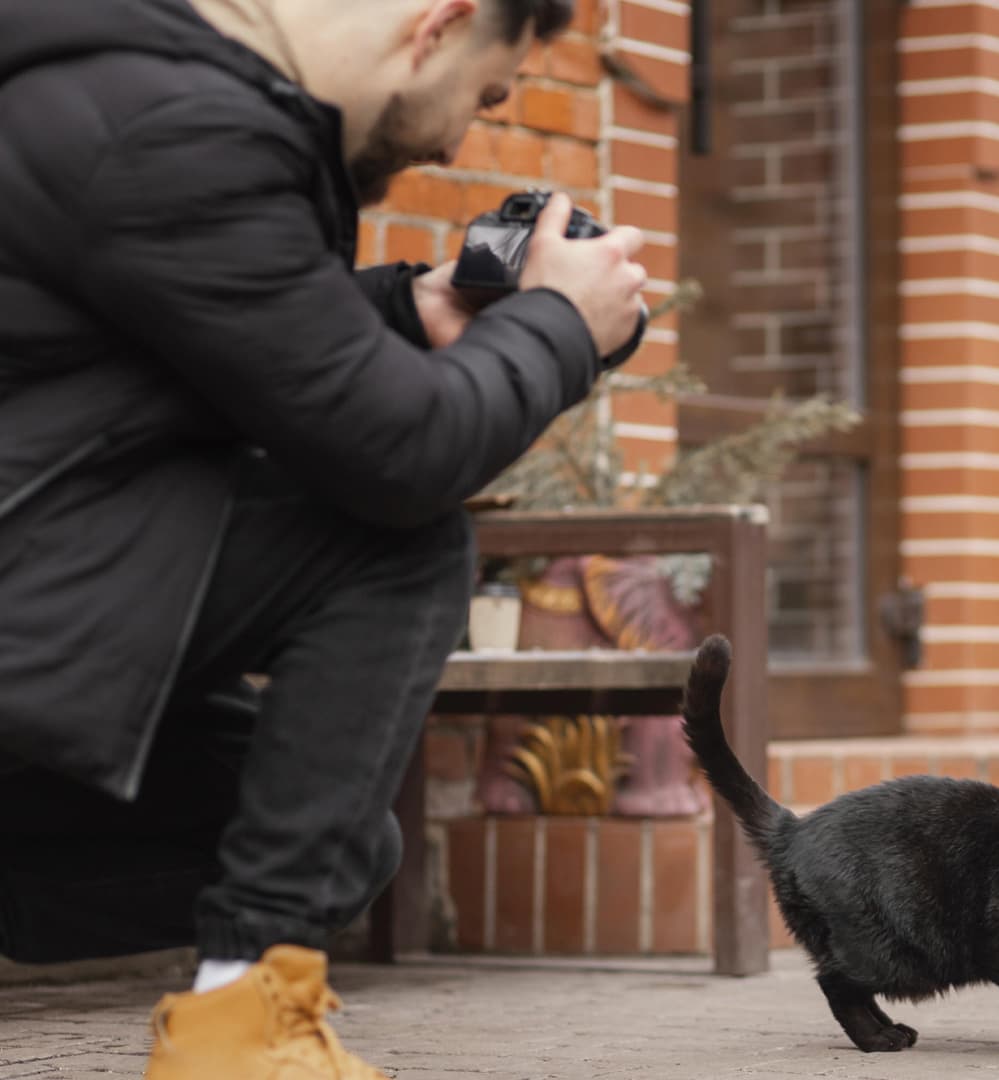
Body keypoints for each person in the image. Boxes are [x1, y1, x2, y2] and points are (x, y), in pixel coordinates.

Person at [0, 0, 647, 1075]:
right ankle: (241, 1034)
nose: (455, 141)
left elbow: (135, 366)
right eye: (485, 96)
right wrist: (559, 328)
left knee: (335, 838)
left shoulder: (129, 97)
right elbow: (402, 460)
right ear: (438, 24)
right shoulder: (180, 128)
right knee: (390, 542)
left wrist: (406, 314)